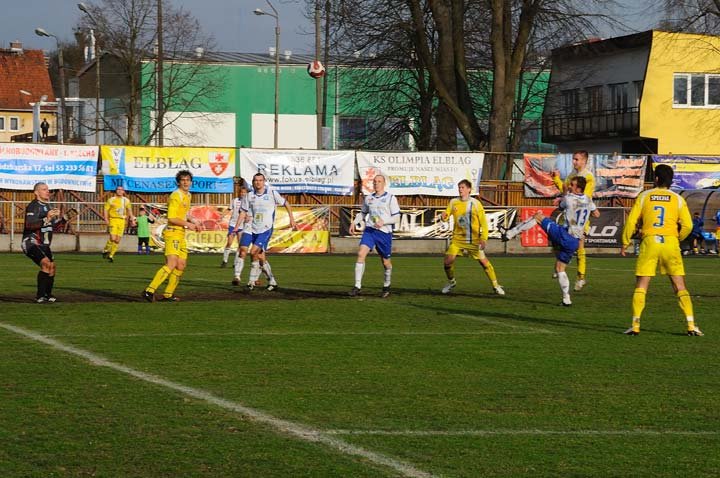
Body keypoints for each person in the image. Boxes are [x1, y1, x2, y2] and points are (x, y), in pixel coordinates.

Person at [620, 164, 703, 336]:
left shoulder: (644, 196)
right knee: (679, 285)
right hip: (670, 242)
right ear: (671, 181)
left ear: (656, 179)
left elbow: (631, 221)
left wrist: (625, 241)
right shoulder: (678, 199)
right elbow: (688, 225)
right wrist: (676, 238)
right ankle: (690, 324)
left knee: (642, 284)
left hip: (650, 241)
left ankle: (635, 325)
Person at [503, 176, 599, 306]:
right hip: (575, 241)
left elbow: (560, 205)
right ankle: (566, 299)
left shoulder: (569, 199)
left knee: (538, 217)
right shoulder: (588, 200)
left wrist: (562, 201)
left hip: (565, 235)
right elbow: (596, 214)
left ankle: (509, 234)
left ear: (578, 188)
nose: (570, 186)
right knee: (561, 268)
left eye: (572, 184)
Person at [142, 170, 202, 302]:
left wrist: (194, 221)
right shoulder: (176, 195)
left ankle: (168, 294)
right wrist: (188, 224)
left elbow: (183, 214)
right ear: (178, 182)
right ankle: (149, 290)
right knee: (172, 263)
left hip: (181, 233)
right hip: (172, 232)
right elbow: (172, 218)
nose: (186, 182)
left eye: (188, 180)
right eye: (183, 180)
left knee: (181, 265)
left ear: (191, 182)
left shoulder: (188, 195)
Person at [440, 179, 505, 296]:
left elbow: (483, 223)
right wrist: (443, 216)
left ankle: (496, 286)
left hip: (473, 240)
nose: (460, 190)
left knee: (484, 263)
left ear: (469, 190)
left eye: (463, 187)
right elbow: (446, 215)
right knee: (448, 261)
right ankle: (451, 282)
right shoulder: (453, 202)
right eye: (459, 187)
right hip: (457, 240)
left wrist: (484, 238)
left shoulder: (475, 204)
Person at [239, 173, 297, 291]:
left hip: (266, 229)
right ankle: (272, 281)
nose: (258, 182)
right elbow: (244, 211)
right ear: (253, 182)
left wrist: (291, 218)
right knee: (260, 256)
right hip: (254, 228)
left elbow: (286, 203)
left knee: (253, 251)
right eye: (256, 180)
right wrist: (240, 222)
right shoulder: (249, 196)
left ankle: (251, 282)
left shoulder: (272, 193)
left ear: (264, 181)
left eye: (260, 180)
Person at [21, 182, 75, 303]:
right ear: (36, 192)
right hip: (31, 241)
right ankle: (39, 296)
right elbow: (29, 225)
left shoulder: (48, 206)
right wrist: (47, 218)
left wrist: (64, 219)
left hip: (44, 245)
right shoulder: (33, 206)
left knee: (52, 267)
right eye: (44, 189)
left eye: (48, 189)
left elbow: (52, 227)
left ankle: (47, 294)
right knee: (46, 264)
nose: (47, 191)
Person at [349, 174, 400, 298]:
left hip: (384, 233)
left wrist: (384, 221)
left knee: (386, 262)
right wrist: (354, 222)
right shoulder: (369, 198)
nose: (376, 183)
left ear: (384, 183)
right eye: (375, 181)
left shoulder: (390, 198)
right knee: (361, 253)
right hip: (370, 231)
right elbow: (363, 213)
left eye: (379, 181)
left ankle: (387, 285)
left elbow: (397, 217)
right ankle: (357, 286)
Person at [552, 150, 595, 291]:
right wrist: (557, 179)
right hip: (569, 215)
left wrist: (564, 199)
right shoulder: (572, 175)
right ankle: (560, 265)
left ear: (584, 161)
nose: (574, 162)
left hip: (580, 217)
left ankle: (581, 277)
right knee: (558, 240)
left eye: (577, 159)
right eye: (573, 159)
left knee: (580, 247)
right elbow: (565, 189)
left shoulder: (588, 177)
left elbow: (583, 197)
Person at [102, 185, 135, 262]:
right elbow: (106, 210)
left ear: (123, 191)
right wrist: (106, 219)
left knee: (117, 240)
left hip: (122, 221)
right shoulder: (111, 200)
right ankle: (106, 250)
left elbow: (129, 210)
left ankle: (111, 255)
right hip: (113, 220)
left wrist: (132, 220)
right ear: (116, 191)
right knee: (112, 238)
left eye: (121, 190)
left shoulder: (126, 200)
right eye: (118, 189)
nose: (120, 191)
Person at [221, 179, 248, 268]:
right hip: (233, 224)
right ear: (239, 193)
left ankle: (236, 262)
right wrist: (222, 216)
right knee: (229, 242)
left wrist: (248, 217)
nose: (242, 194)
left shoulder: (248, 202)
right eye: (241, 192)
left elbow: (248, 212)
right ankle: (225, 261)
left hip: (241, 225)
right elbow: (229, 209)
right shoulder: (235, 200)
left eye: (244, 192)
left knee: (240, 244)